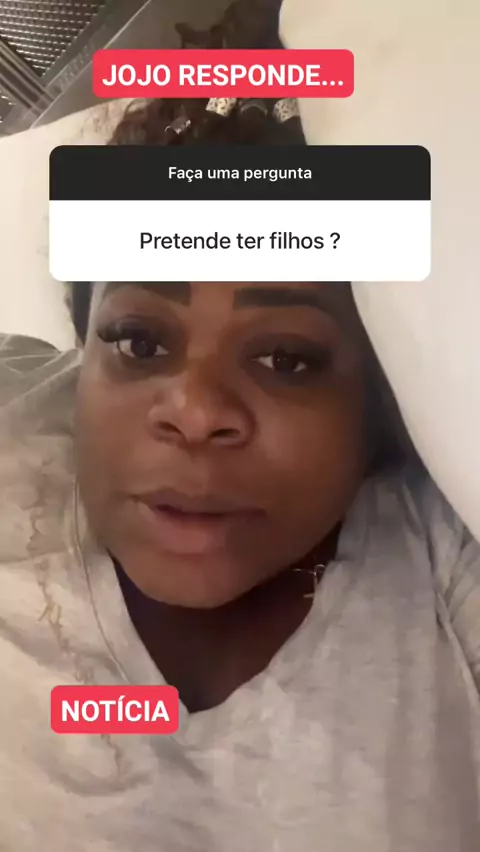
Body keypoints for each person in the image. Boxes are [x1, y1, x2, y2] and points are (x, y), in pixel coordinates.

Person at [1, 4, 480, 850]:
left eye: (286, 358)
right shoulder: (17, 415)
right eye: (138, 341)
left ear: (377, 402)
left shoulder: (441, 558)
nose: (194, 411)